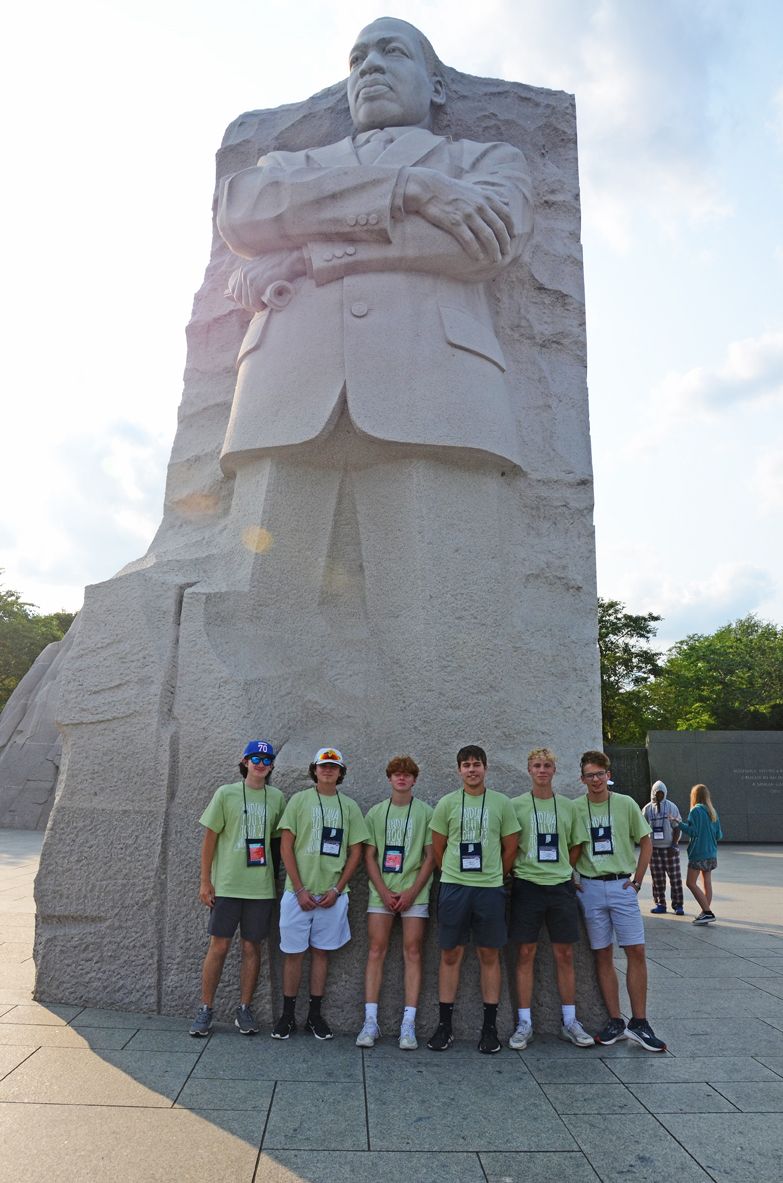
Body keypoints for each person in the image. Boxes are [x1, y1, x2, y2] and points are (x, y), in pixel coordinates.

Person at [427, 744, 519, 1054]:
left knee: (488, 956)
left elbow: (511, 847)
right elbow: (437, 847)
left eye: (477, 764)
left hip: (491, 889)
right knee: (450, 954)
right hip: (454, 887)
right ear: (458, 770)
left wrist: (494, 876)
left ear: (485, 767)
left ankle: (490, 1028)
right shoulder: (447, 804)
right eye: (465, 764)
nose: (471, 769)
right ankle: (444, 1026)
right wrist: (453, 873)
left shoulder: (502, 804)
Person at [573, 750, 667, 1052]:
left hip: (620, 885)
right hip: (589, 886)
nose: (596, 779)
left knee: (636, 951)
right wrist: (572, 875)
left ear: (608, 775)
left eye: (601, 773)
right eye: (590, 775)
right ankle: (615, 1019)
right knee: (602, 955)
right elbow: (570, 845)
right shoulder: (576, 808)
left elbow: (646, 841)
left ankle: (640, 1021)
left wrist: (638, 880)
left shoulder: (625, 804)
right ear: (582, 779)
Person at [190, 740, 285, 1036]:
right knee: (218, 946)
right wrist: (205, 880)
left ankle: (244, 1009)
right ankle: (205, 1009)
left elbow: (278, 842)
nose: (261, 763)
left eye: (266, 759)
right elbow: (210, 840)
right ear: (245, 761)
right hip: (228, 885)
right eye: (255, 757)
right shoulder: (225, 794)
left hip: (260, 888)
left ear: (271, 765)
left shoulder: (278, 798)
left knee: (251, 948)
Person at [273, 747, 369, 1039]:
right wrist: (299, 888)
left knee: (321, 953)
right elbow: (286, 846)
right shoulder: (299, 801)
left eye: (333, 767)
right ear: (314, 770)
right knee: (293, 954)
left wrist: (338, 889)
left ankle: (315, 1015)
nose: (328, 770)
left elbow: (356, 851)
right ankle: (288, 1015)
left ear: (341, 773)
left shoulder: (349, 806)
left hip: (332, 895)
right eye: (323, 766)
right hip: (297, 894)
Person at [508, 748, 594, 1050]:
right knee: (525, 954)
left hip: (560, 887)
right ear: (528, 770)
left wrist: (562, 868)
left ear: (554, 770)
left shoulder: (568, 807)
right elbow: (509, 846)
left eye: (547, 765)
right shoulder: (516, 806)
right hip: (527, 886)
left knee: (565, 954)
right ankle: (524, 1022)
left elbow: (575, 846)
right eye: (536, 765)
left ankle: (570, 1020)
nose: (542, 770)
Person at [356, 755, 435, 1050]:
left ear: (415, 779)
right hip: (382, 892)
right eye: (396, 774)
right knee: (376, 951)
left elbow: (431, 856)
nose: (401, 778)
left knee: (413, 952)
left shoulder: (426, 812)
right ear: (389, 778)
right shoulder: (376, 813)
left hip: (415, 892)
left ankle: (408, 1025)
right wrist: (384, 890)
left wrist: (413, 891)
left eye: (407, 774)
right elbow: (369, 856)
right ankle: (370, 1022)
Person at [678, 784, 723, 925]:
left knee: (690, 883)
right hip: (711, 854)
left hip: (698, 854)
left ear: (694, 796)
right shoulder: (712, 811)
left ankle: (708, 912)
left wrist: (677, 823)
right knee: (706, 882)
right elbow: (719, 835)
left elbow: (693, 832)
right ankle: (706, 912)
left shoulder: (695, 811)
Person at [642, 781, 684, 915]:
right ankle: (660, 904)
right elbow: (642, 829)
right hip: (654, 850)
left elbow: (677, 827)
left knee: (675, 879)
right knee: (657, 879)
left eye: (662, 794)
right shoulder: (647, 809)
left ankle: (678, 905)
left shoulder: (671, 807)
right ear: (653, 793)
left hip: (670, 849)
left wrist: (674, 844)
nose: (660, 796)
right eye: (657, 794)